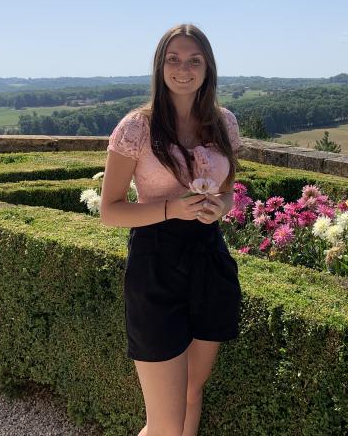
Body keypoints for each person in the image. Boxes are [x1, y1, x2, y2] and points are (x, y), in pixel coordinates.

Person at [100, 23, 243, 436]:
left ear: (208, 67)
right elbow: (110, 210)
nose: (184, 69)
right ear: (160, 66)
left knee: (192, 395)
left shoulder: (224, 123)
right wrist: (172, 209)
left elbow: (230, 191)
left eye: (195, 60)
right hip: (156, 265)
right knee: (164, 424)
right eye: (174, 59)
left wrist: (220, 208)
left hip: (208, 260)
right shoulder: (137, 128)